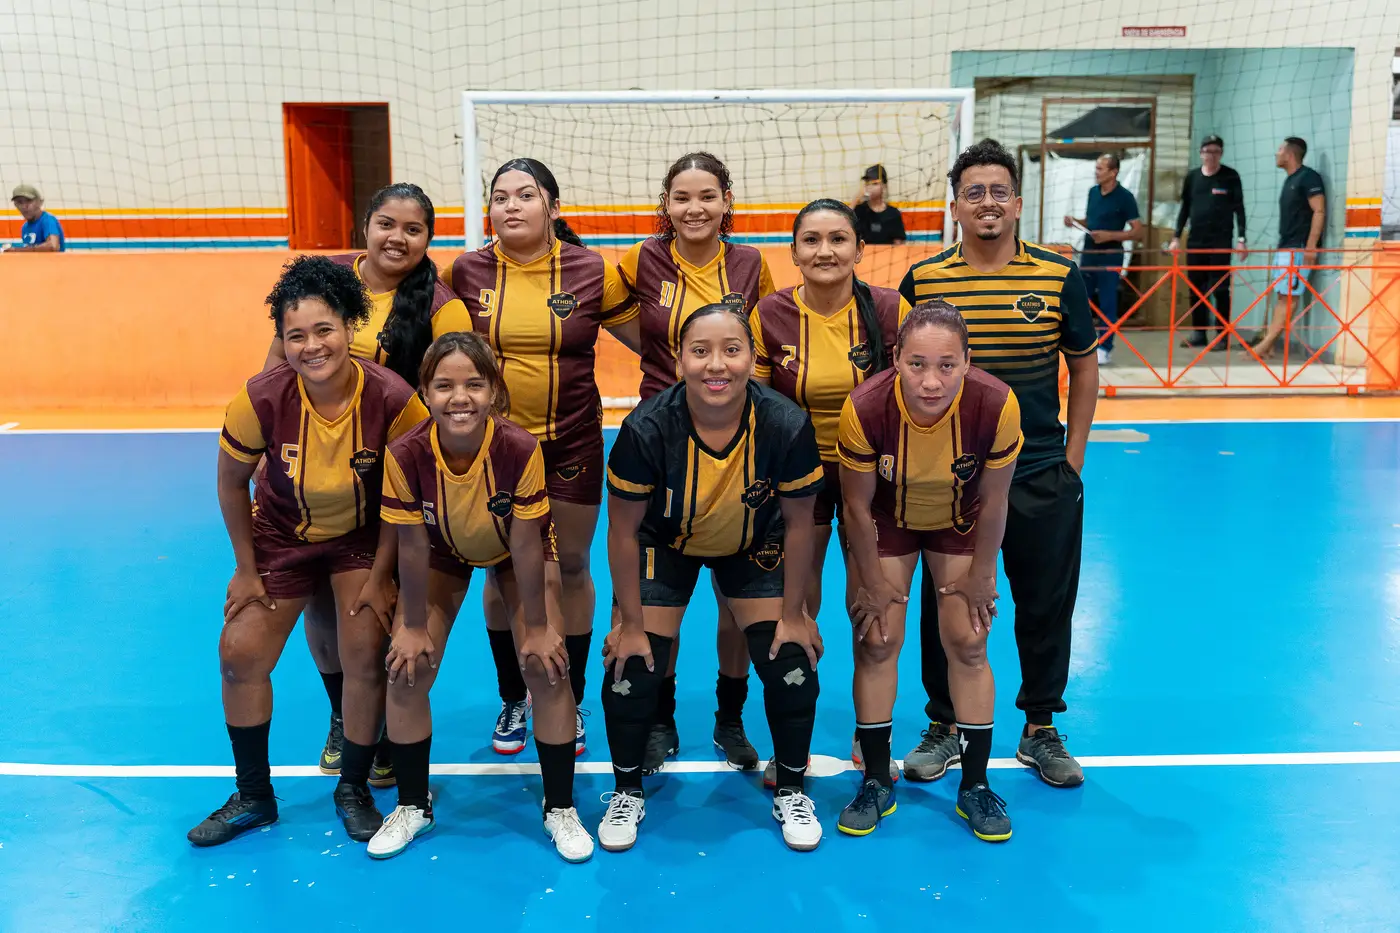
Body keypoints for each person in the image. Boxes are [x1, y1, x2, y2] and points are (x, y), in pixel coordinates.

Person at [187, 255, 429, 847]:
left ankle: (353, 787)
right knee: (239, 653)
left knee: (365, 649)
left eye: (324, 330)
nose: (312, 346)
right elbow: (230, 482)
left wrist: (383, 574)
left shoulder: (393, 398)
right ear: (282, 341)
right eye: (296, 335)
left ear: (349, 326)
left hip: (360, 540)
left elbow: (406, 495)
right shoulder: (260, 398)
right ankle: (254, 796)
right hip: (280, 537)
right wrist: (246, 570)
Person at [900, 139, 1098, 792]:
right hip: (949, 479)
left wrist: (1072, 460)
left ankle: (1040, 726)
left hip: (1039, 471)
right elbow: (906, 373)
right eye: (973, 192)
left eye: (998, 191)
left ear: (1016, 202)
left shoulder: (1058, 275)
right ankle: (943, 724)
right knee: (946, 603)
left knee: (1045, 603)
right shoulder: (924, 280)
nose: (987, 202)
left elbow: (1084, 364)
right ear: (956, 206)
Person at [262, 183, 470, 785]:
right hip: (315, 472)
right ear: (366, 226)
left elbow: (456, 390)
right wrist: (272, 453)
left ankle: (378, 725)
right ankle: (343, 716)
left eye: (413, 229)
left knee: (373, 604)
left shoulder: (441, 306)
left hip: (390, 476)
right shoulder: (325, 280)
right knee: (322, 607)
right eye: (386, 224)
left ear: (428, 239)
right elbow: (275, 369)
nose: (397, 238)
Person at [599, 303, 825, 853]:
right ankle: (626, 792)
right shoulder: (646, 428)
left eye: (731, 350)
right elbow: (622, 532)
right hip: (665, 541)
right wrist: (629, 623)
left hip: (752, 542)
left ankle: (791, 790)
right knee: (630, 667)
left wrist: (795, 614)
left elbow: (800, 525)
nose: (716, 365)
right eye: (700, 351)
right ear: (679, 361)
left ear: (751, 357)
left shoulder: (786, 424)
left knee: (792, 664)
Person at [370, 332, 593, 862]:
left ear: (494, 390)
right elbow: (411, 544)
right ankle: (412, 805)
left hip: (515, 551)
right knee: (407, 669)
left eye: (474, 384)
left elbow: (526, 541)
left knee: (547, 667)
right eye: (444, 386)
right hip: (439, 552)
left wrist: (536, 627)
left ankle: (560, 807)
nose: (460, 397)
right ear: (425, 392)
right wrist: (412, 625)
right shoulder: (404, 454)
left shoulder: (520, 448)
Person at [448, 158, 637, 760]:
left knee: (571, 566)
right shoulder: (466, 271)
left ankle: (568, 698)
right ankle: (514, 696)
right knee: (502, 569)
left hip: (571, 442)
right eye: (500, 196)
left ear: (552, 206)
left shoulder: (592, 271)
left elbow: (657, 344)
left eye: (526, 195)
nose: (511, 206)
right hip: (494, 449)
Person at [614, 152, 776, 774]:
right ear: (666, 204)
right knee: (665, 593)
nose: (695, 208)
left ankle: (729, 718)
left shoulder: (750, 263)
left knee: (735, 597)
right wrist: (663, 360)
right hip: (663, 445)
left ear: (726, 201)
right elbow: (609, 314)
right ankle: (661, 719)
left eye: (707, 196)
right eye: (681, 197)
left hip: (737, 439)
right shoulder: (641, 260)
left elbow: (758, 347)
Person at [838, 300, 1022, 841]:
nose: (931, 381)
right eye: (917, 364)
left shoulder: (997, 404)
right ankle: (876, 780)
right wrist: (871, 580)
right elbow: (855, 507)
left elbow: (996, 499)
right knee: (876, 639)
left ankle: (976, 785)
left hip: (959, 521)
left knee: (969, 641)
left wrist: (983, 573)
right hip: (886, 521)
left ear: (968, 361)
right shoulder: (864, 407)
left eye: (946, 365)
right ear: (896, 358)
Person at [750, 197, 907, 786]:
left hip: (875, 477)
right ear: (793, 252)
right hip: (799, 481)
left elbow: (911, 393)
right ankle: (791, 745)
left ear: (859, 249)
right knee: (795, 610)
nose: (825, 251)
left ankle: (872, 738)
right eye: (811, 241)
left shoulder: (888, 310)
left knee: (873, 606)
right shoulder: (770, 314)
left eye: (838, 239)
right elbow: (758, 409)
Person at [1168, 136, 1247, 349]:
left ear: (1221, 154)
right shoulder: (1192, 177)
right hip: (1196, 242)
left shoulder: (1230, 176)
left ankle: (1222, 335)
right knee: (1196, 289)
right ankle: (1199, 333)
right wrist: (1176, 237)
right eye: (1207, 151)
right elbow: (1185, 209)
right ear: (1201, 153)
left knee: (1220, 289)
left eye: (1216, 152)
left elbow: (1239, 209)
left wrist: (1242, 239)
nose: (1211, 156)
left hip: (1221, 242)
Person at [1064, 153, 1142, 365]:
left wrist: (1110, 236)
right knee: (1082, 300)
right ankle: (1082, 344)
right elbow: (1091, 221)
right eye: (1096, 168)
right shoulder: (1093, 192)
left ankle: (1105, 347)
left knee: (1107, 301)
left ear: (1113, 172)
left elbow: (1138, 231)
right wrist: (1075, 221)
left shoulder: (1125, 197)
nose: (1096, 172)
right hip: (1089, 254)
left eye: (1100, 168)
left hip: (1110, 256)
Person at [1252, 137, 1326, 360]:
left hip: (1298, 248)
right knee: (1281, 296)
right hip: (1285, 246)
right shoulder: (1290, 180)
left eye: (1280, 149)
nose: (1276, 153)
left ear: (1290, 154)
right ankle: (1269, 345)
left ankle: (1263, 345)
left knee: (1289, 297)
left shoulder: (1309, 177)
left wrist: (1311, 245)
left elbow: (1319, 211)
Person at [851, 165, 907, 246]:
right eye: (867, 183)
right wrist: (856, 199)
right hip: (863, 253)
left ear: (884, 186)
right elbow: (843, 225)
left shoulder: (893, 213)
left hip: (887, 253)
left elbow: (899, 243)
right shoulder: (859, 211)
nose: (870, 186)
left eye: (875, 183)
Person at [6, 184, 65, 252]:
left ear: (40, 202)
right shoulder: (25, 227)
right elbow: (29, 252)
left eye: (29, 201)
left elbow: (53, 246)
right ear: (15, 205)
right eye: (19, 202)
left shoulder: (48, 220)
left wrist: (17, 250)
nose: (24, 206)